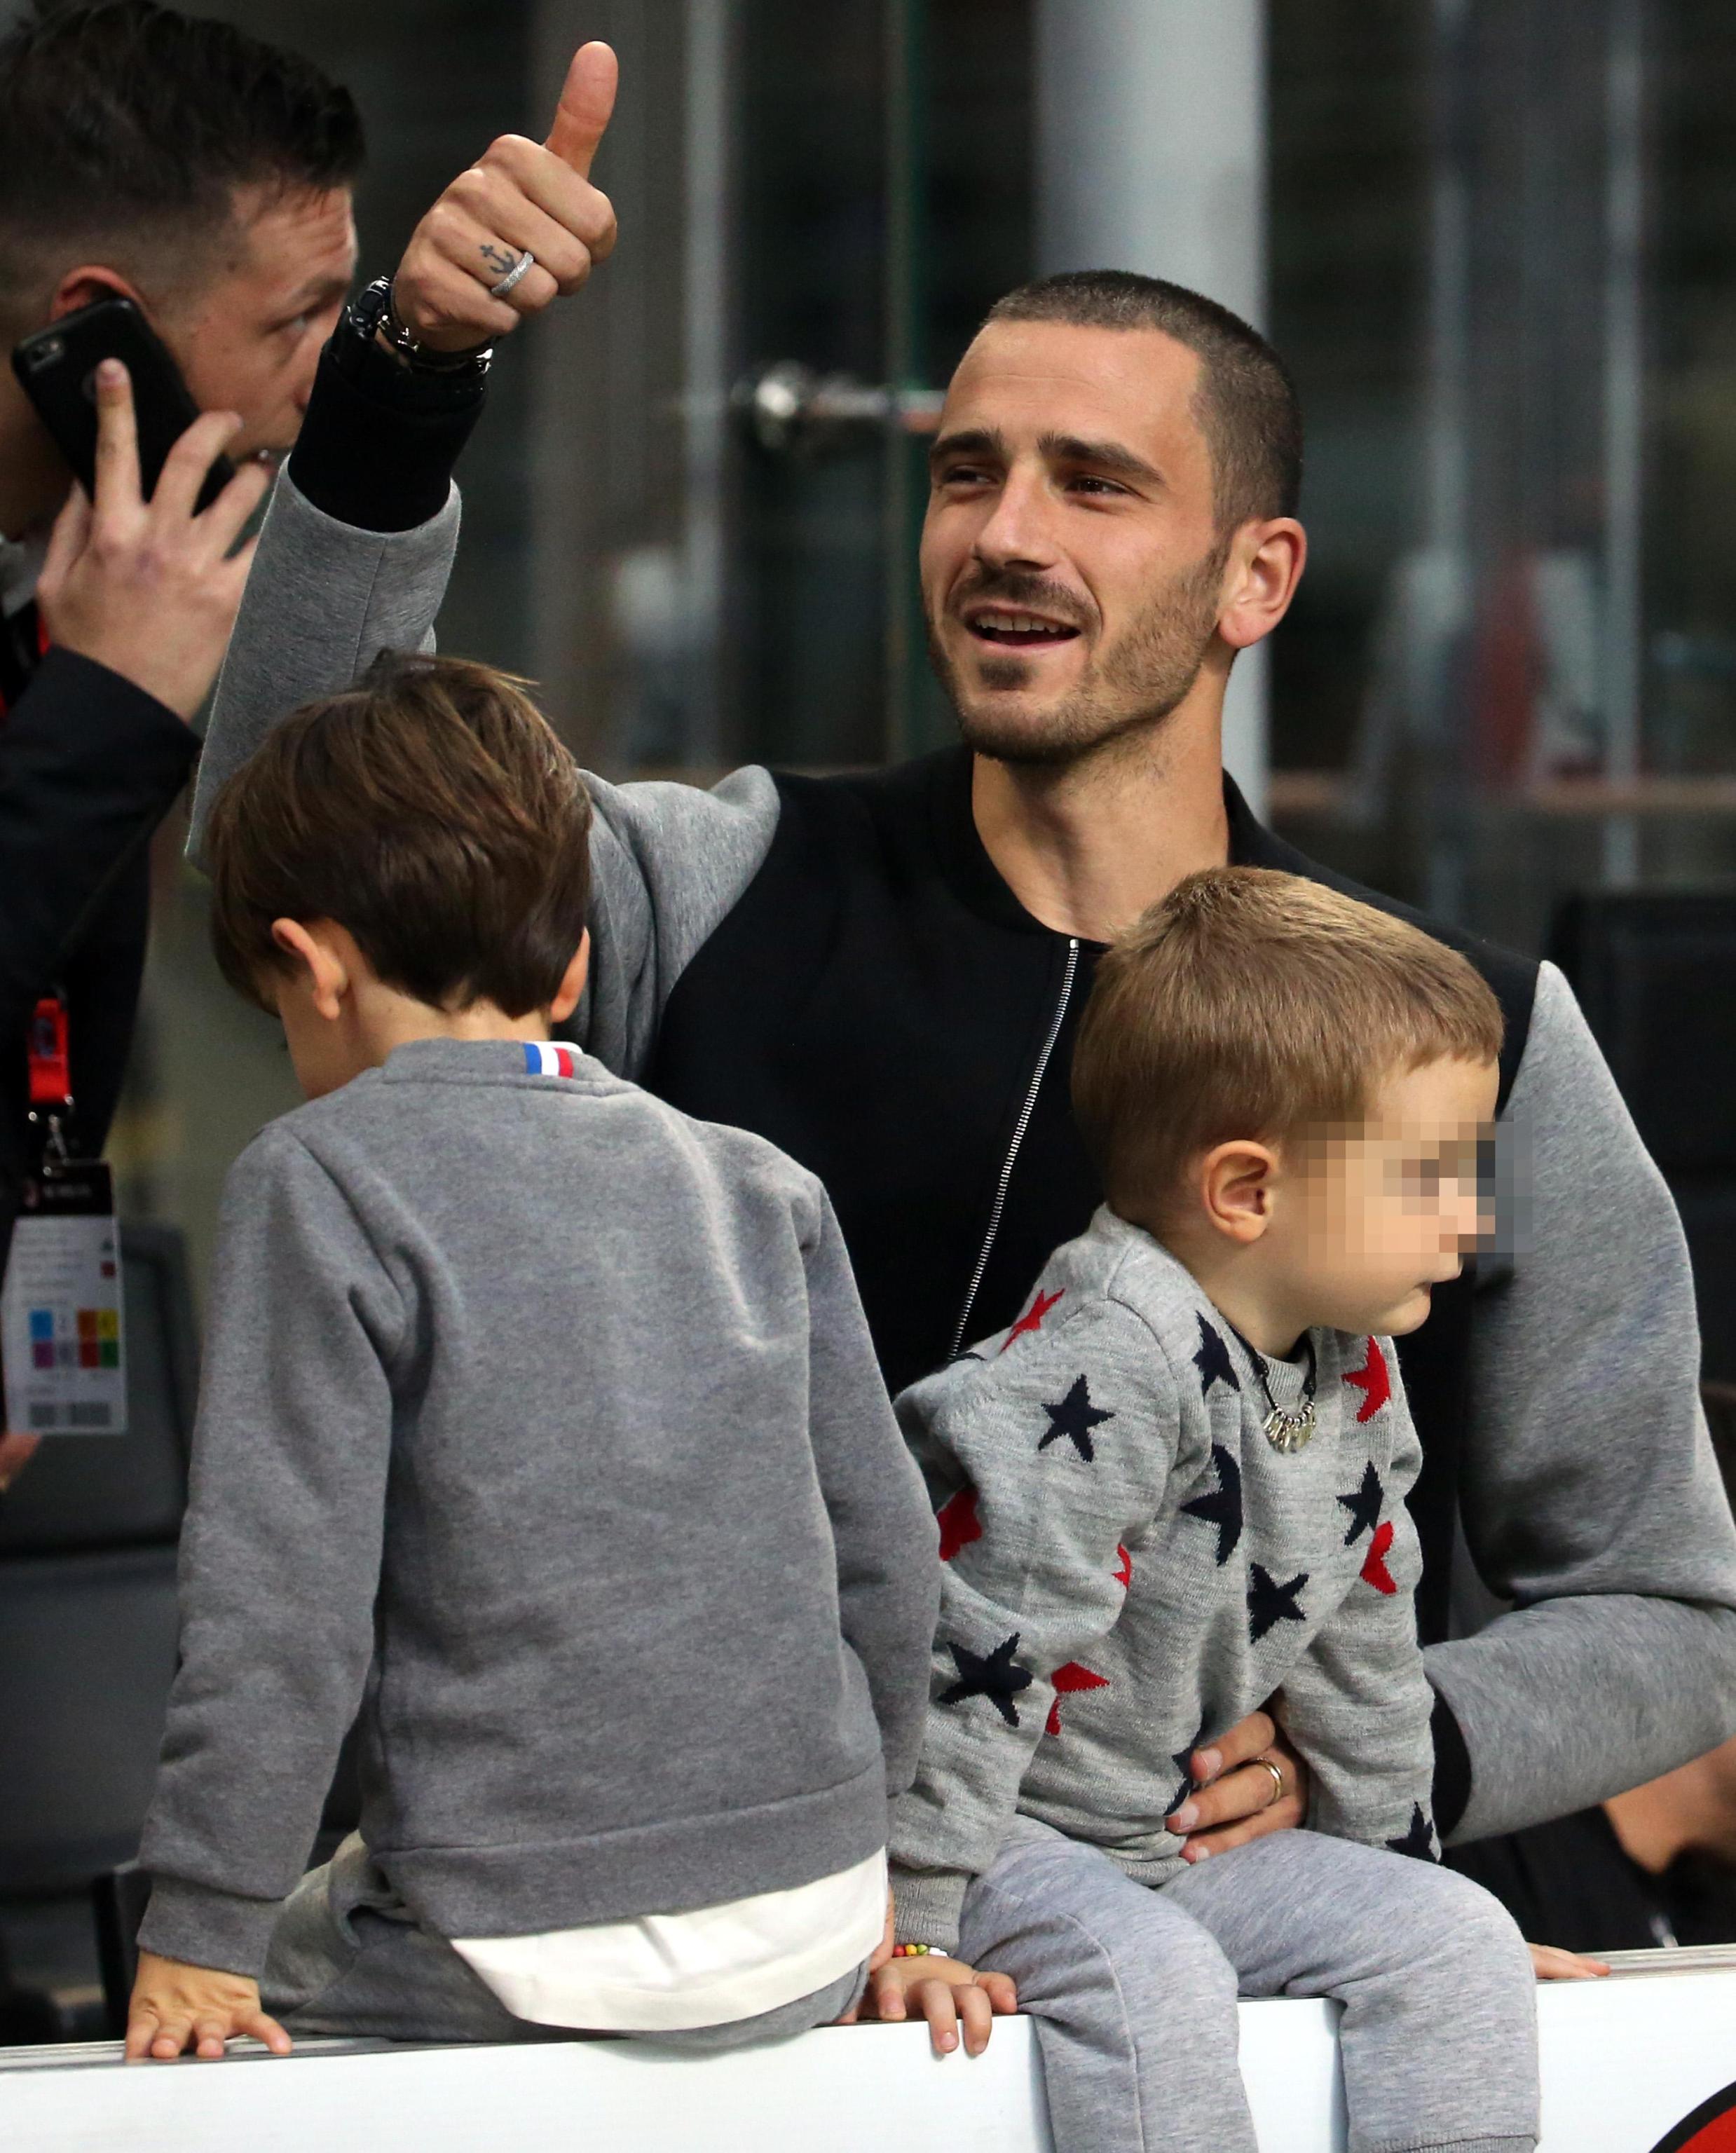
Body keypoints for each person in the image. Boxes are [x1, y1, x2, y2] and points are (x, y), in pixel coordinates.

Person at [189, 42, 1736, 1905]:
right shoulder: (708, 887)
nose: (1006, 533)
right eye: (966, 474)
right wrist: (402, 384)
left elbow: (1665, 1604)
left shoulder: (1473, 1030)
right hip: (693, 1934)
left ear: (1255, 579)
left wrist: (1389, 1745)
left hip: (1189, 1953)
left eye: (1094, 485)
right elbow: (295, 831)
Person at [124, 652, 938, 2059]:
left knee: (254, 1963)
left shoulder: (320, 1179)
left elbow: (282, 1610)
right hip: (818, 1926)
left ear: (309, 967)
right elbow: (891, 1553)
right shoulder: (758, 1186)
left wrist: (203, 1927)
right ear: (572, 967)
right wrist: (876, 1865)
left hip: (515, 1951)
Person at [870, 866, 1538, 2153]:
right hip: (990, 1841)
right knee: (1151, 1977)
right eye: (1434, 1176)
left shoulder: (1355, 1358)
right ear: (1246, 1192)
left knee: (1457, 1937)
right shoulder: (1112, 1358)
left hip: (1147, 1845)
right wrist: (912, 1927)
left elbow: (1363, 1662)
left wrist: (1396, 1891)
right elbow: (975, 1647)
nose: (1474, 1218)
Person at [0, 0, 364, 1490]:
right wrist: (105, 713)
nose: (325, 373)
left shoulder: (71, 578)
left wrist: (54, 1353)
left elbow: (56, 1044)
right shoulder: (95, 654)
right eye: (296, 321)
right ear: (103, 325)